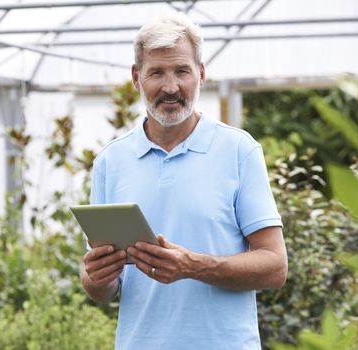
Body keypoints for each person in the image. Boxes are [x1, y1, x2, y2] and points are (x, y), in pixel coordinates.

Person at [80, 13, 288, 350]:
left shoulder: (238, 150)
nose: (170, 87)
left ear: (201, 74)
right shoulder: (111, 161)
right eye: (156, 73)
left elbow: (275, 267)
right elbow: (103, 288)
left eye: (182, 71)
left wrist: (194, 266)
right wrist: (95, 278)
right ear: (136, 77)